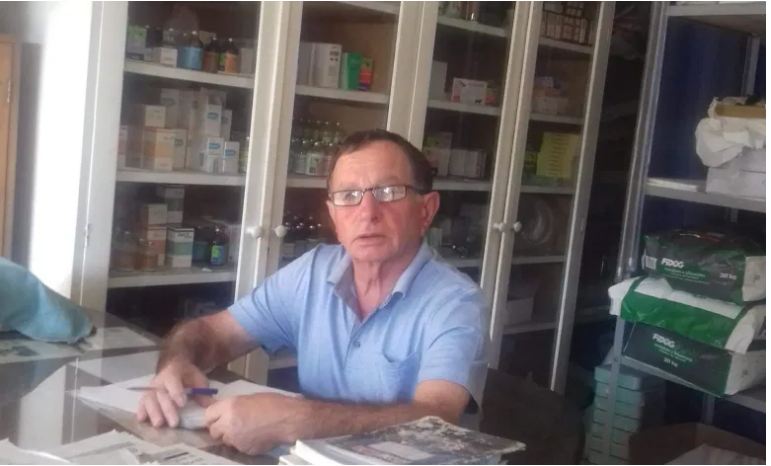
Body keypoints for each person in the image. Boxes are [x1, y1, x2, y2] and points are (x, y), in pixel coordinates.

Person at [136, 129, 488, 454]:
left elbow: (437, 420)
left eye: (388, 192)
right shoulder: (314, 272)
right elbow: (213, 333)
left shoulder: (455, 301)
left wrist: (294, 420)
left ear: (426, 211)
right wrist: (177, 363)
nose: (367, 213)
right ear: (334, 215)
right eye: (349, 196)